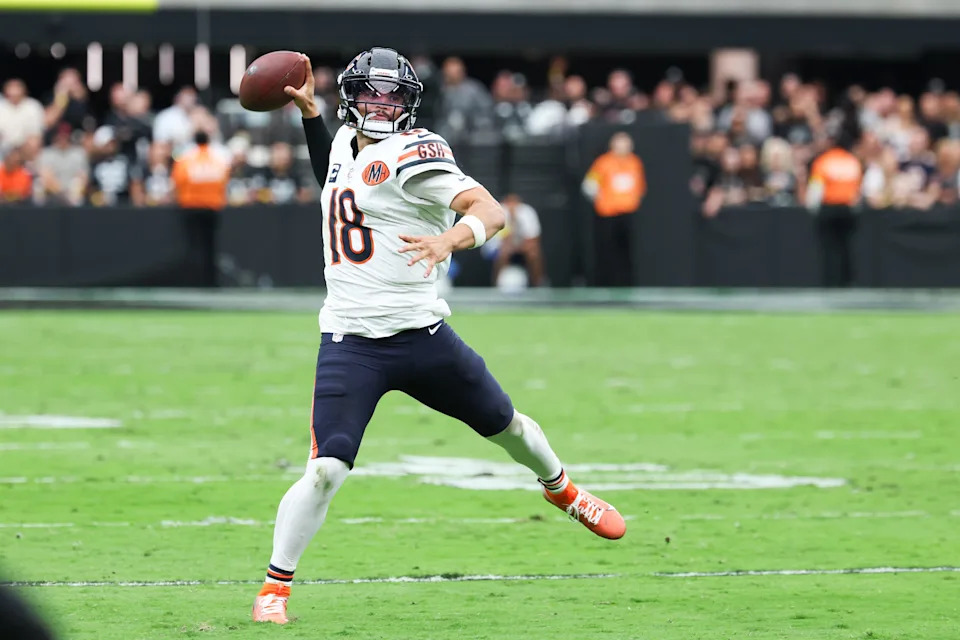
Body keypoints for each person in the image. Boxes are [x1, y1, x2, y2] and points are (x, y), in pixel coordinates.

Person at [251, 48, 626, 626]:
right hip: (351, 342)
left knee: (509, 426)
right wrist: (307, 114)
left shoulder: (412, 151)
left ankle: (563, 490)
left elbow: (490, 210)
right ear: (349, 97)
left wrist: (449, 241)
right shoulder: (343, 147)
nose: (380, 105)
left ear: (409, 104)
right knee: (326, 469)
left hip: (423, 337)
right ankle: (275, 590)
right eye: (371, 94)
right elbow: (331, 174)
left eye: (392, 96)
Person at [582, 131, 646, 287]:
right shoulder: (604, 162)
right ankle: (605, 284)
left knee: (627, 253)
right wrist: (601, 200)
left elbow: (639, 186)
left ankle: (627, 284)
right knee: (607, 251)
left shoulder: (634, 162)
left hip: (628, 213)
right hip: (608, 213)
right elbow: (589, 185)